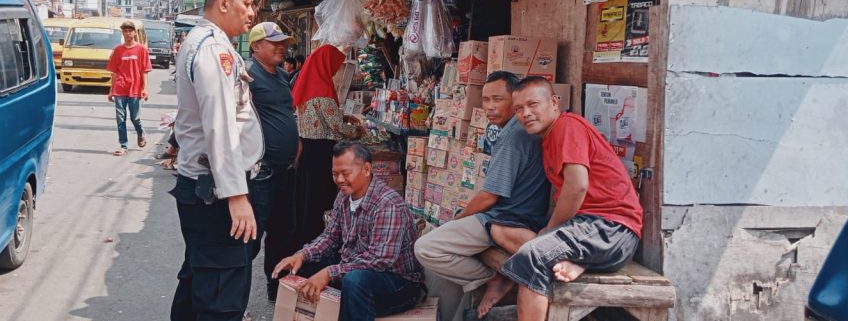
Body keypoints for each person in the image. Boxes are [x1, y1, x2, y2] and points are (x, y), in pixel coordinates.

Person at [500, 76, 643, 321]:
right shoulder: (549, 137)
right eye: (518, 109)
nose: (526, 113)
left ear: (554, 102)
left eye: (533, 104)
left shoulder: (567, 126)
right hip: (593, 230)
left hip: (612, 229)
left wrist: (550, 231)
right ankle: (576, 260)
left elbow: (576, 186)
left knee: (532, 256)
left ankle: (570, 258)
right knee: (504, 231)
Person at [414, 72, 550, 320]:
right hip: (503, 216)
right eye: (485, 100)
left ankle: (493, 278)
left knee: (426, 247)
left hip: (508, 219)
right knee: (433, 238)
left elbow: (489, 196)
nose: (489, 106)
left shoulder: (515, 135)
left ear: (515, 100)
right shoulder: (512, 130)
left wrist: (457, 220)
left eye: (497, 99)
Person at [170, 0, 263, 321]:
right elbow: (220, 126)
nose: (251, 12)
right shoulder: (212, 50)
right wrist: (236, 196)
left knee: (200, 281)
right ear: (224, 2)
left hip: (209, 188)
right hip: (216, 192)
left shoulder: (209, 43)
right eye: (247, 3)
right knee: (221, 294)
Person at [272, 142, 426, 321]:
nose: (339, 180)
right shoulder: (344, 196)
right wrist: (302, 255)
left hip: (399, 282)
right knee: (301, 267)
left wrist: (330, 273)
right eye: (334, 174)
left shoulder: (388, 204)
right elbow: (330, 237)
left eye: (345, 173)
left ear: (366, 169)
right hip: (357, 265)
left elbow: (379, 260)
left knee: (354, 281)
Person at [245, 22, 301, 301]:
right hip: (262, 172)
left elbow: (286, 113)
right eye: (274, 42)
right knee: (252, 235)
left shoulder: (280, 75)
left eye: (284, 43)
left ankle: (275, 287)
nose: (282, 47)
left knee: (283, 232)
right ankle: (235, 296)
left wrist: (296, 144)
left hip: (285, 170)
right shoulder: (248, 76)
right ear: (255, 46)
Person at [290, 44, 365, 249]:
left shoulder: (307, 86)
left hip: (308, 150)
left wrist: (344, 116)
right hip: (322, 153)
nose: (336, 70)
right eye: (335, 65)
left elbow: (324, 118)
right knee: (319, 199)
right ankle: (318, 242)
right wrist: (358, 131)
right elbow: (337, 127)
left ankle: (304, 238)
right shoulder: (323, 91)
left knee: (307, 199)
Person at [107, 20, 152, 156]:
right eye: (125, 31)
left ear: (134, 32)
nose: (127, 33)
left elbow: (145, 70)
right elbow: (114, 71)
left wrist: (145, 88)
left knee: (135, 118)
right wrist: (111, 90)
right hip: (120, 88)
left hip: (135, 89)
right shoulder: (118, 50)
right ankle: (123, 145)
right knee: (120, 118)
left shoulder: (141, 50)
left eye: (130, 31)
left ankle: (140, 132)